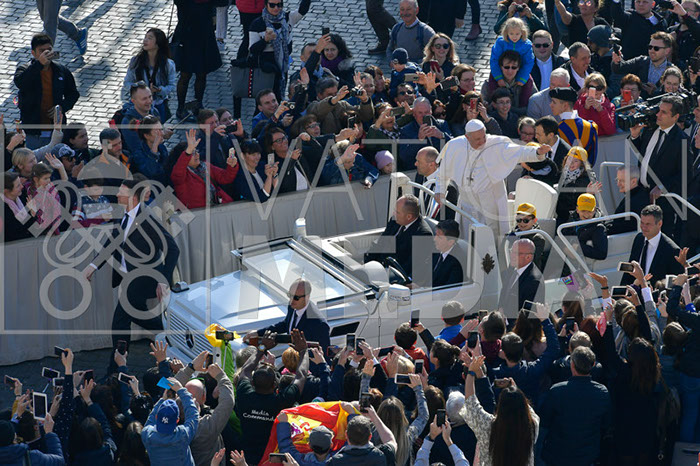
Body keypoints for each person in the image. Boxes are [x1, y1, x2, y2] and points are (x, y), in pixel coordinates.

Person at [83, 174, 180, 373]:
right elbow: (112, 243)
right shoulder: (125, 215)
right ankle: (174, 336)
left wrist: (163, 280)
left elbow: (173, 249)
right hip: (130, 279)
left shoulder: (147, 219)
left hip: (143, 280)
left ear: (133, 198)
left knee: (119, 322)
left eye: (122, 191)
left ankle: (115, 371)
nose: (117, 193)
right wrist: (93, 265)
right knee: (140, 317)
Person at [434, 118, 551, 237]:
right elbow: (442, 172)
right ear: (467, 137)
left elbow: (519, 151)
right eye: (477, 139)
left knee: (492, 236)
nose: (482, 141)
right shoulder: (455, 146)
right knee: (467, 237)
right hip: (467, 204)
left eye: (483, 137)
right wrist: (440, 190)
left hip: (490, 203)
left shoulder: (496, 143)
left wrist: (537, 152)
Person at [235, 332, 307, 465]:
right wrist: (303, 351)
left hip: (245, 457)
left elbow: (245, 371)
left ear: (252, 383)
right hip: (271, 459)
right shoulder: (283, 400)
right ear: (275, 385)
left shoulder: (244, 394)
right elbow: (301, 375)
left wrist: (262, 347)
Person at [628, 95, 692, 236]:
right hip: (641, 194)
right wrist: (635, 136)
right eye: (658, 110)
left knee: (660, 239)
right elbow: (642, 154)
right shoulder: (650, 129)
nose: (658, 115)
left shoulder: (682, 140)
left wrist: (662, 187)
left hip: (662, 202)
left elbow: (686, 174)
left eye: (664, 112)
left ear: (675, 117)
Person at [539, 346, 613, 466]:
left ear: (572, 365)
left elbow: (544, 423)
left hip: (558, 456)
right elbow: (606, 423)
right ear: (593, 365)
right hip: (587, 457)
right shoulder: (602, 392)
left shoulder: (557, 391)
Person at [464, 355, 540, 466]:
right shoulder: (532, 425)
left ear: (500, 406)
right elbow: (526, 408)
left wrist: (471, 372)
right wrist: (514, 388)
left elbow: (471, 403)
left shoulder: (488, 426)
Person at [14, 33, 79, 150]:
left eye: (49, 50)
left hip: (56, 130)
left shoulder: (61, 70)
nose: (46, 54)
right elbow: (21, 83)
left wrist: (61, 108)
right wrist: (39, 64)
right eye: (42, 51)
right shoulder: (25, 69)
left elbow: (73, 94)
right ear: (33, 53)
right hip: (34, 133)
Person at [173, 353, 234, 466]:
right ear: (204, 397)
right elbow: (228, 402)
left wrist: (190, 368)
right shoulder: (205, 427)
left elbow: (166, 388)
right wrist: (221, 376)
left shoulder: (166, 421)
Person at [248, 0, 311, 99]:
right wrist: (265, 40)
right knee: (265, 98)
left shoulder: (288, 18)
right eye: (272, 5)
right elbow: (253, 49)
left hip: (282, 64)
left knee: (278, 96)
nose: (276, 8)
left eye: (279, 5)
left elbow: (302, 10)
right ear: (266, 5)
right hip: (266, 67)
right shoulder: (257, 24)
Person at [172, 0, 222, 119]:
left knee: (202, 73)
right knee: (185, 74)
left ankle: (198, 104)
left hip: (204, 35)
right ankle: (180, 108)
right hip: (187, 35)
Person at [364, 194, 434, 279]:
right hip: (379, 268)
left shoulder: (423, 235)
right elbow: (380, 243)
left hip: (394, 276)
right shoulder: (395, 220)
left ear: (409, 216)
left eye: (397, 212)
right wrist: (367, 265)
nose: (394, 213)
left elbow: (411, 267)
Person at [253, 279, 331, 351]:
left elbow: (323, 354)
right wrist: (258, 333)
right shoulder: (293, 306)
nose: (291, 300)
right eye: (289, 295)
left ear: (307, 297)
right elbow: (285, 324)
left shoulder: (319, 324)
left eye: (296, 297)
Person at [620, 204, 683, 286]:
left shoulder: (672, 250)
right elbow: (629, 272)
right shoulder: (639, 239)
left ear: (659, 224)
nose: (643, 227)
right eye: (642, 223)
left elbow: (675, 283)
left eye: (648, 224)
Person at [123, 28, 177, 122]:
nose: (145, 40)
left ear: (158, 43)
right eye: (145, 37)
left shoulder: (168, 65)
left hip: (159, 105)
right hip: (139, 106)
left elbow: (172, 86)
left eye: (150, 38)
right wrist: (139, 91)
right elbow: (127, 82)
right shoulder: (136, 61)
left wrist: (160, 90)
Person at [141, 378, 199, 465]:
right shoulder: (182, 435)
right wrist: (181, 390)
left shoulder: (147, 434)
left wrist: (162, 400)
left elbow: (150, 420)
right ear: (177, 420)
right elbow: (193, 416)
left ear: (157, 417)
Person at [611, 32, 674, 99]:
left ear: (667, 51)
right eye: (650, 47)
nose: (652, 51)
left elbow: (673, 95)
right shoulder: (641, 61)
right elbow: (620, 68)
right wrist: (616, 61)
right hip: (637, 103)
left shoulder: (672, 71)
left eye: (656, 48)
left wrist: (655, 92)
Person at [327, 407, 397, 466]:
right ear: (370, 436)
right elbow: (390, 439)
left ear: (346, 435)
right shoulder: (383, 455)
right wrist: (374, 416)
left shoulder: (334, 462)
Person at [549, 86, 599, 165]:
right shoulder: (590, 126)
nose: (550, 105)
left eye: (554, 102)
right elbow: (592, 158)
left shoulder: (557, 129)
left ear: (565, 105)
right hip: (584, 170)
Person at [398, 97, 452, 171]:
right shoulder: (406, 130)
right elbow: (404, 156)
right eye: (420, 113)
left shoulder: (442, 125)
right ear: (414, 114)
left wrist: (442, 135)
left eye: (426, 112)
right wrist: (419, 140)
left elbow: (455, 145)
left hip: (443, 168)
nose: (423, 116)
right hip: (420, 171)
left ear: (431, 111)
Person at [497, 238, 545, 319]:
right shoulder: (512, 270)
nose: (511, 255)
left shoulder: (534, 281)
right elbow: (504, 293)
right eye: (511, 251)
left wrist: (506, 321)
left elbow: (528, 315)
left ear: (528, 257)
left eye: (516, 253)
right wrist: (500, 309)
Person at [482, 50, 538, 115]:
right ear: (501, 67)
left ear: (518, 68)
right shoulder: (488, 84)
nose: (510, 71)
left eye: (514, 67)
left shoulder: (528, 83)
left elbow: (536, 103)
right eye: (506, 67)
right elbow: (483, 105)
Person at [555, 146, 600, 225]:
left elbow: (570, 196)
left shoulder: (587, 179)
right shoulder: (561, 175)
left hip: (577, 219)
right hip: (561, 215)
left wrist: (586, 193)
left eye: (576, 161)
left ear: (582, 164)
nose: (571, 163)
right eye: (569, 159)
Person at [264, 127, 313, 193]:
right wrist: (292, 160)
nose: (284, 141)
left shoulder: (298, 153)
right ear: (272, 147)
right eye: (279, 140)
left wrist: (309, 139)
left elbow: (318, 151)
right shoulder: (275, 165)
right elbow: (285, 185)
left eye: (284, 138)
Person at [560, 193, 608, 260]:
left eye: (589, 211)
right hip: (564, 254)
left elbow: (601, 253)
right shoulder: (572, 218)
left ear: (594, 210)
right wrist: (564, 247)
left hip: (580, 262)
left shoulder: (599, 227)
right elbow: (564, 234)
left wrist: (578, 248)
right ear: (577, 209)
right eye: (583, 211)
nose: (586, 215)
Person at [414, 146, 459, 220]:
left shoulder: (447, 187)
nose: (415, 164)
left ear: (431, 165)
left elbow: (448, 217)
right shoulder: (419, 176)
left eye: (419, 161)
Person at [490, 18, 535, 90]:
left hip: (519, 71)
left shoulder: (526, 45)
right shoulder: (500, 42)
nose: (514, 37)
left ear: (522, 32)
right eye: (511, 33)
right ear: (506, 32)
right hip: (501, 71)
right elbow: (494, 59)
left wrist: (522, 78)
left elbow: (528, 62)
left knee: (528, 86)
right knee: (492, 86)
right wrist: (498, 77)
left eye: (517, 34)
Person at [0, 416, 64, 464]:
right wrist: (49, 433)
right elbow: (59, 461)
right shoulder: (32, 457)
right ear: (14, 439)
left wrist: (17, 416)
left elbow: (6, 431)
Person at [607, 165, 650, 234]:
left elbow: (627, 226)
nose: (618, 184)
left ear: (633, 181)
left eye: (622, 181)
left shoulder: (637, 200)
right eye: (617, 180)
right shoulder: (633, 195)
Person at [130, 114, 169, 187]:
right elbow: (151, 172)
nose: (162, 134)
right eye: (157, 132)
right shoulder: (138, 155)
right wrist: (154, 150)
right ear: (147, 136)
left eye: (161, 129)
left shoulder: (162, 148)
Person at [506, 203, 547, 271]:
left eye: (526, 220)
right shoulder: (512, 234)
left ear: (534, 221)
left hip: (528, 272)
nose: (522, 223)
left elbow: (530, 261)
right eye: (519, 220)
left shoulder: (538, 239)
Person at [2, 171, 37, 242]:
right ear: (6, 191)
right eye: (18, 186)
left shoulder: (24, 196)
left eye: (21, 183)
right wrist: (31, 215)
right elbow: (12, 234)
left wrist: (34, 214)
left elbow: (35, 229)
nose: (22, 186)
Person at [430, 219, 466, 287]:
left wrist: (423, 288)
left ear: (450, 242)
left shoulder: (457, 262)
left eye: (439, 237)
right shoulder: (436, 248)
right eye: (436, 235)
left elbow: (449, 289)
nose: (435, 239)